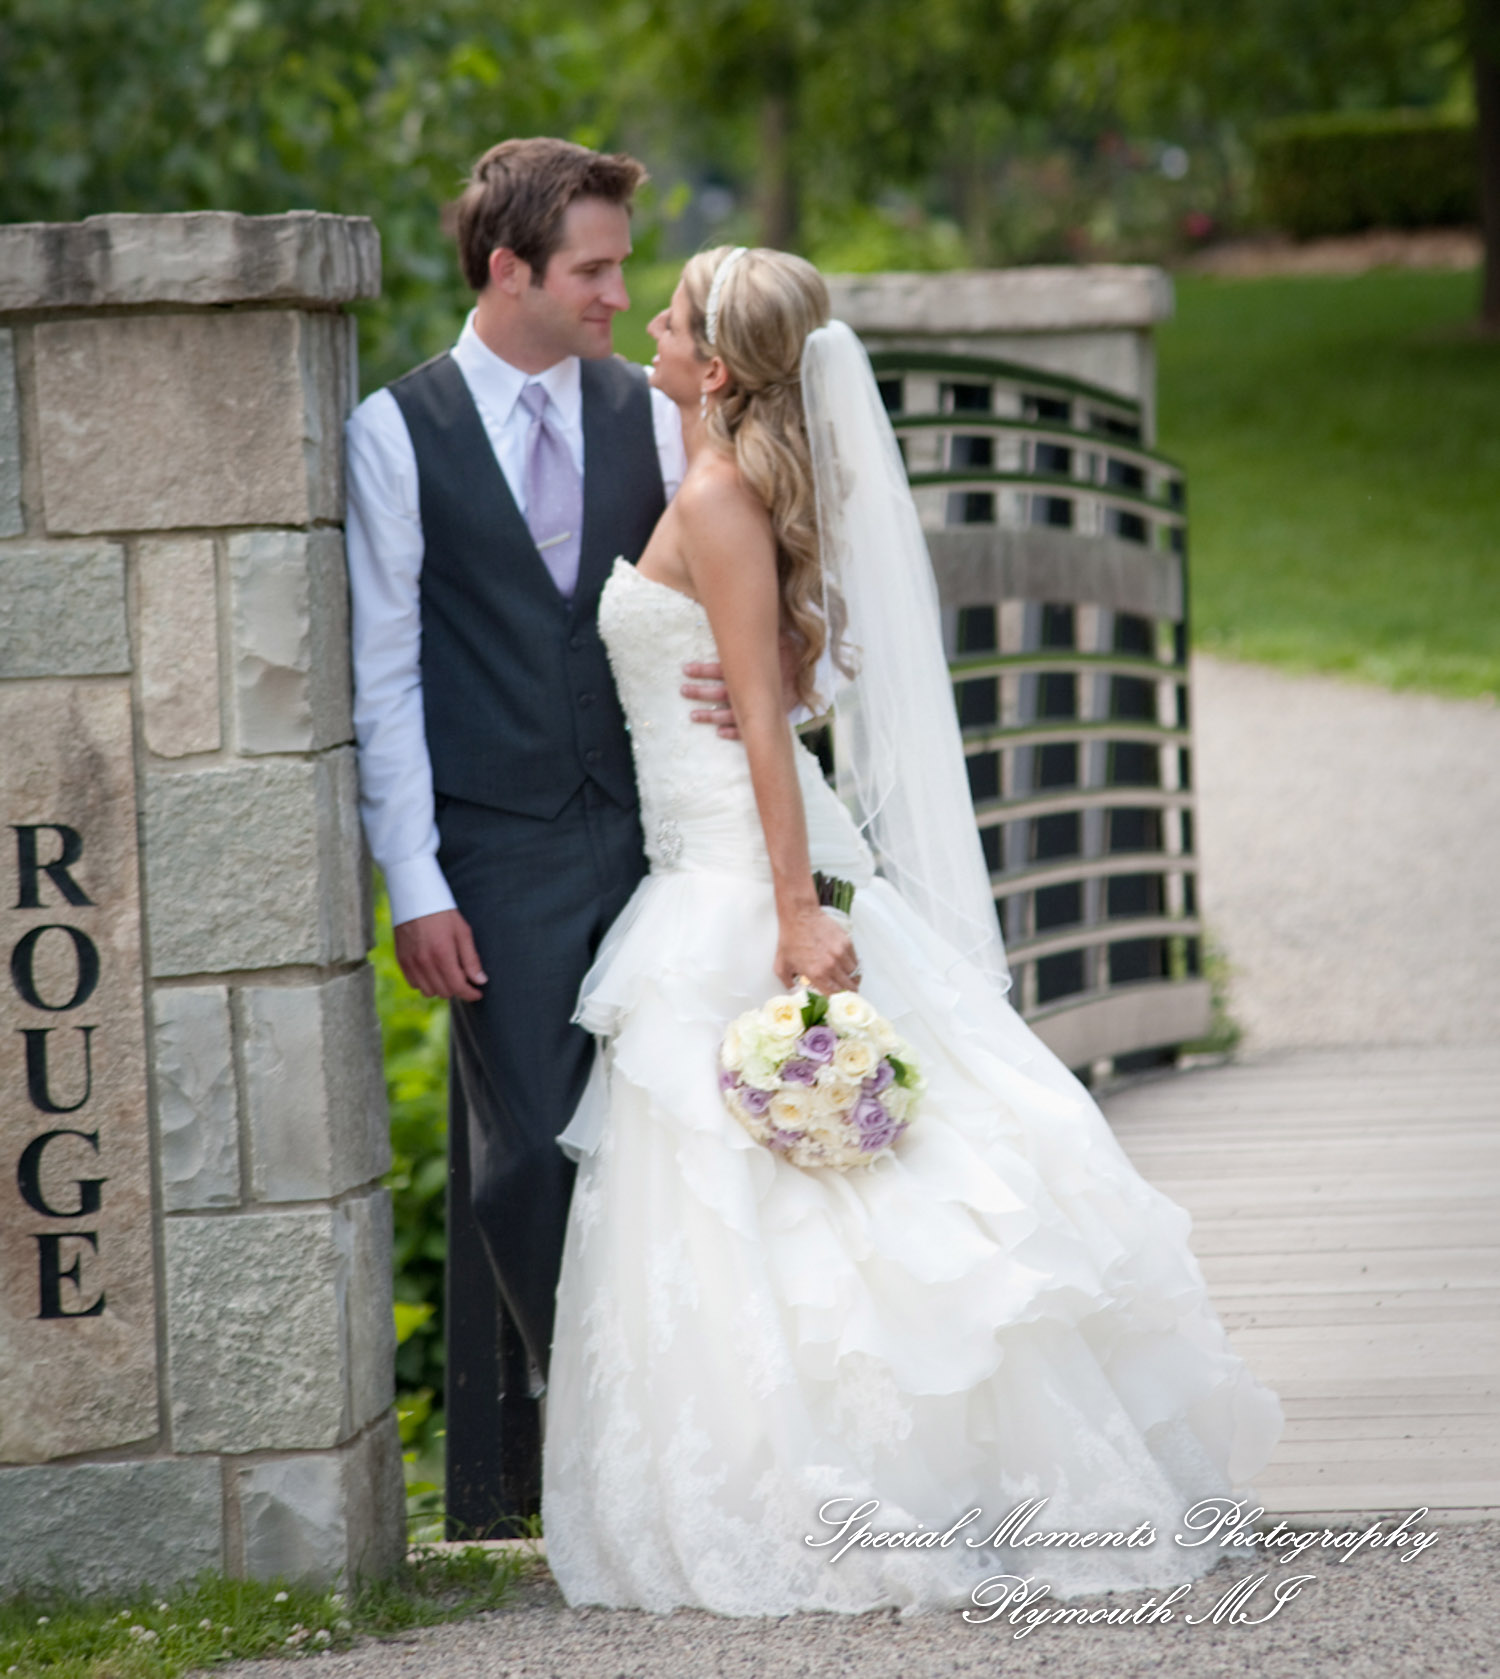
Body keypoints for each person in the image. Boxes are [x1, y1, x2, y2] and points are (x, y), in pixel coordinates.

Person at [539, 245, 1285, 1613]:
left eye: (675, 315)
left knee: (796, 1180)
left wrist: (786, 912)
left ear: (715, 368)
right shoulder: (722, 482)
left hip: (734, 861)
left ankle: (907, 1478)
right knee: (786, 1187)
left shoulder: (713, 494)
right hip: (709, 844)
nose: (647, 320)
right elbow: (769, 671)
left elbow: (762, 718)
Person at [344, 139, 746, 1455]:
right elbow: (385, 673)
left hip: (658, 832)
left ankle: (694, 1439)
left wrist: (765, 686)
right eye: (593, 269)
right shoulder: (398, 434)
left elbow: (750, 579)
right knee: (528, 1161)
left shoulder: (649, 407)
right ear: (508, 268)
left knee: (687, 1133)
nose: (618, 296)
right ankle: (602, 1437)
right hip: (499, 848)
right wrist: (420, 884)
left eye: (624, 268)